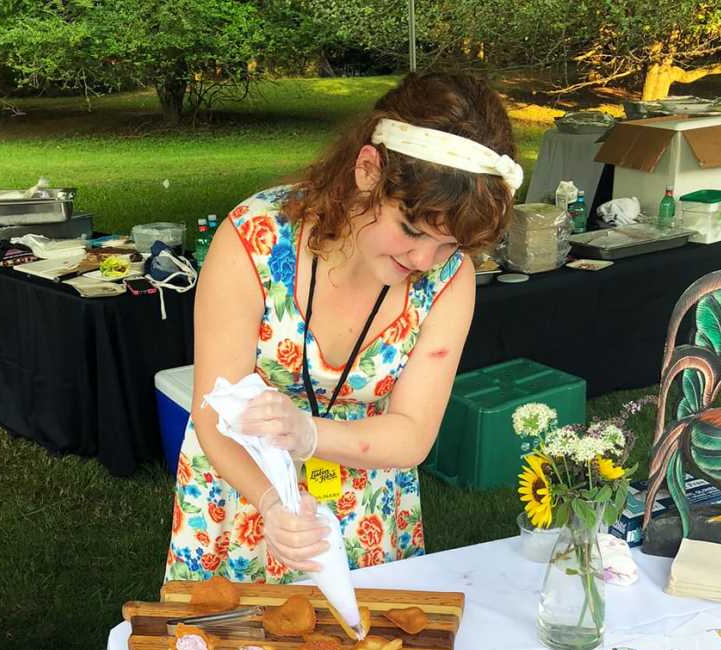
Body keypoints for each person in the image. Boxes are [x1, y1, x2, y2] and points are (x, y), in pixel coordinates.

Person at [165, 72, 521, 583]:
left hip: (364, 510)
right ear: (368, 170)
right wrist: (272, 502)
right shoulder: (255, 239)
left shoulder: (449, 279)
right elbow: (212, 409)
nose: (425, 259)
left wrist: (308, 433)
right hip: (242, 492)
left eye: (450, 246)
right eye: (412, 230)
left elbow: (412, 435)